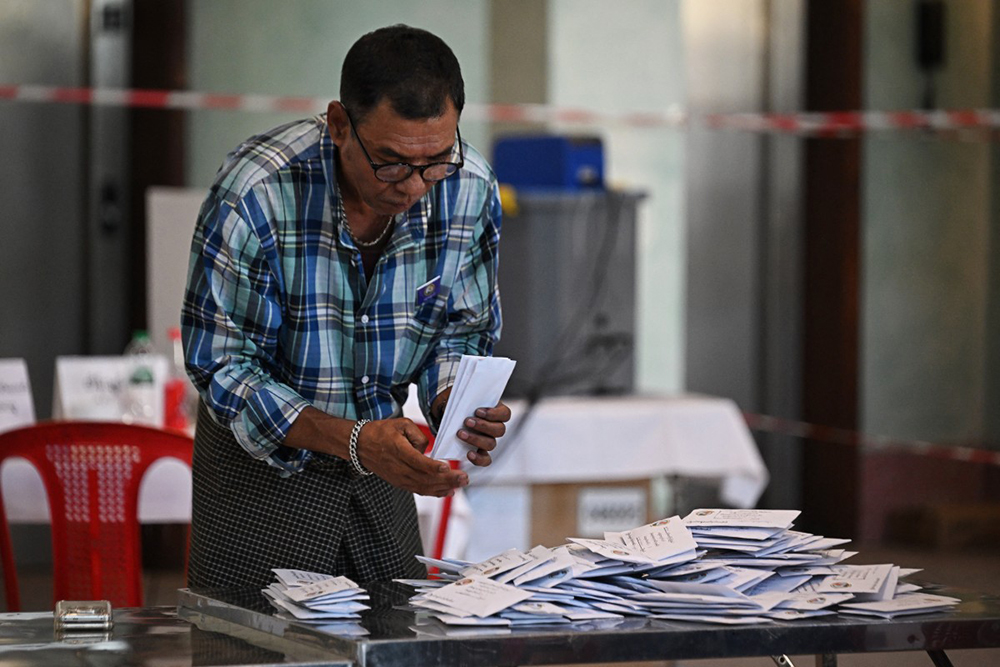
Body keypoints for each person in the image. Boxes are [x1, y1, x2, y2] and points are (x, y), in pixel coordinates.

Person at [181, 24, 510, 589]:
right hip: (260, 478)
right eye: (391, 163)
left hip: (383, 475)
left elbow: (460, 329)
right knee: (251, 645)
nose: (414, 186)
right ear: (338, 125)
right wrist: (354, 440)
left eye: (435, 160)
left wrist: (452, 400)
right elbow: (222, 366)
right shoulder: (258, 192)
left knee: (397, 637)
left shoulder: (469, 188)